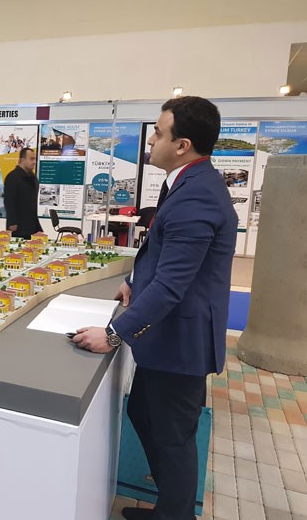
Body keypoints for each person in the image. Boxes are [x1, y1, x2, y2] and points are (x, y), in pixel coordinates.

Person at [71, 96, 237, 520]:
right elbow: (164, 254)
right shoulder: (187, 182)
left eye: (158, 134)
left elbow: (172, 284)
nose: (151, 142)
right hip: (167, 338)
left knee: (173, 437)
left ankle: (176, 515)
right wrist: (132, 281)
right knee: (144, 413)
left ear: (182, 145)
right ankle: (170, 509)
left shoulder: (196, 195)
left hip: (180, 341)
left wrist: (113, 335)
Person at [3, 147, 42, 239]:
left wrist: (37, 225)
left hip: (32, 224)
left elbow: (32, 203)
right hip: (18, 226)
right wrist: (12, 222)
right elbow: (9, 201)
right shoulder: (13, 177)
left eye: (35, 159)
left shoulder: (32, 178)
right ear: (22, 160)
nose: (34, 162)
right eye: (31, 159)